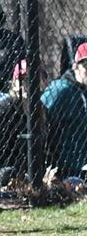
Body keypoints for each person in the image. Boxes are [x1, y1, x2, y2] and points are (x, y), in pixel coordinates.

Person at [0, 60, 48, 189]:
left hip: (26, 172)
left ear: (43, 83)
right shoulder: (0, 113)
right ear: (14, 84)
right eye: (23, 79)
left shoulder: (42, 110)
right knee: (10, 173)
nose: (27, 83)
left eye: (33, 79)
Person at [39, 43, 87, 178]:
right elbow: (40, 125)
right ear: (75, 66)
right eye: (86, 65)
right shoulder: (60, 90)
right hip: (66, 170)